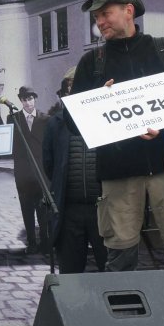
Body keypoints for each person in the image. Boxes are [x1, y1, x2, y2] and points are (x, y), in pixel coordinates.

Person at [70, 0, 164, 272]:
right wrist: (100, 102)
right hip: (118, 174)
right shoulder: (92, 63)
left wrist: (162, 127)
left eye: (105, 14)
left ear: (129, 11)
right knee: (120, 257)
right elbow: (72, 121)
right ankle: (124, 315)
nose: (99, 22)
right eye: (96, 17)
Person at [43, 73, 107, 274]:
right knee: (71, 272)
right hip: (70, 210)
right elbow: (49, 163)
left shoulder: (106, 117)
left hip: (103, 208)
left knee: (111, 269)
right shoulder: (56, 123)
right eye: (69, 91)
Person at [9, 85, 49, 254]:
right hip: (23, 174)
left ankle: (45, 243)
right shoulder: (13, 118)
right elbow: (11, 145)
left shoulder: (45, 119)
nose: (28, 102)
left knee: (43, 210)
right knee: (27, 209)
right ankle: (32, 243)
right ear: (21, 101)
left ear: (35, 99)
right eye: (24, 99)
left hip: (41, 173)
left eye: (30, 99)